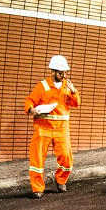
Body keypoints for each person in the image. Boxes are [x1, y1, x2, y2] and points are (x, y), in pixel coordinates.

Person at [23, 54, 81, 198]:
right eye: (61, 73)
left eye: (65, 72)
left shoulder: (67, 86)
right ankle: (37, 189)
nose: (64, 75)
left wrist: (74, 92)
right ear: (53, 71)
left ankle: (61, 180)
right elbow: (29, 101)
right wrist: (31, 110)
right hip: (43, 128)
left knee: (66, 158)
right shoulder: (42, 86)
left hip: (61, 129)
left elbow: (76, 104)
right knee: (37, 159)